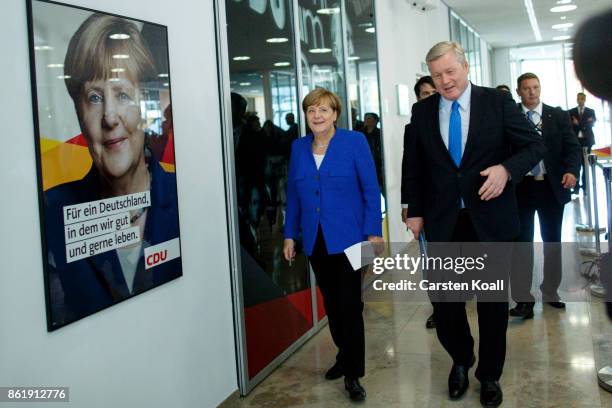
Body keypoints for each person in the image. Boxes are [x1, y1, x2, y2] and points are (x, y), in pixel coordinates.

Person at [404, 42, 545, 407]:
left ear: (465, 67)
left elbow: (534, 146)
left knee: (492, 305)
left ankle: (490, 375)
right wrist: (414, 209)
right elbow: (414, 167)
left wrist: (506, 170)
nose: (445, 81)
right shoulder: (422, 112)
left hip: (490, 220)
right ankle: (461, 360)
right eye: (437, 75)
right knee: (447, 304)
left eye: (450, 72)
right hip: (443, 222)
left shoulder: (496, 103)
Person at [44, 14, 181, 326]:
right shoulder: (52, 213)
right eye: (94, 97)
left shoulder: (183, 194)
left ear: (144, 102)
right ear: (78, 111)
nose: (109, 116)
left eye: (122, 95)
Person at [283, 88, 383, 402]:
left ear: (335, 114)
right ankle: (344, 355)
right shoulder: (298, 148)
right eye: (312, 110)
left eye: (324, 110)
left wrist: (374, 232)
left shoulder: (354, 142)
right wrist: (289, 234)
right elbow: (294, 196)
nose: (317, 116)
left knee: (351, 304)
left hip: (354, 238)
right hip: (316, 240)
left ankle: (353, 373)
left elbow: (370, 189)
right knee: (332, 303)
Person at [509, 73, 581, 318]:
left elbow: (572, 147)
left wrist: (572, 171)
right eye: (526, 88)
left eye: (536, 87)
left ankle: (551, 291)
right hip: (521, 188)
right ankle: (522, 299)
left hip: (551, 187)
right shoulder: (511, 116)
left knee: (552, 242)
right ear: (518, 91)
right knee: (521, 244)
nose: (532, 92)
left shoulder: (557, 115)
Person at [400, 75, 437, 329]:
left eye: (434, 92)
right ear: (418, 98)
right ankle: (439, 307)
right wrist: (407, 204)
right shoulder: (413, 128)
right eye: (425, 94)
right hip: (426, 203)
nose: (431, 97)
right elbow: (408, 167)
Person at [568, 92, 597, 195]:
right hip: (575, 142)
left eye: (582, 99)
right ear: (576, 99)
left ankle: (585, 187)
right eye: (578, 99)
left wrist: (578, 123)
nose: (580, 101)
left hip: (587, 142)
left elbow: (592, 123)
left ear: (584, 100)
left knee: (586, 166)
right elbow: (569, 126)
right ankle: (575, 187)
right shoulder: (571, 112)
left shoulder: (590, 111)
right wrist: (584, 123)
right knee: (576, 165)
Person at [363, 112, 384, 189]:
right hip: (365, 163)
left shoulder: (380, 133)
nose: (366, 120)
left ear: (375, 121)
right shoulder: (361, 134)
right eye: (365, 118)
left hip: (377, 164)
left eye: (369, 118)